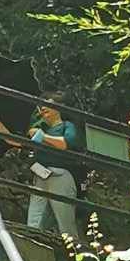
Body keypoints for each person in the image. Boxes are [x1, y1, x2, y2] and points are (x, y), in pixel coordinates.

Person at [26, 97, 83, 244]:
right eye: (41, 106)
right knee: (34, 220)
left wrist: (42, 137)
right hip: (40, 176)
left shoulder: (67, 125)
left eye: (47, 104)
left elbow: (65, 143)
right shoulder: (42, 129)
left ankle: (75, 254)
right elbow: (13, 141)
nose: (42, 107)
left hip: (60, 175)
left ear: (58, 108)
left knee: (65, 221)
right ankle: (33, 251)